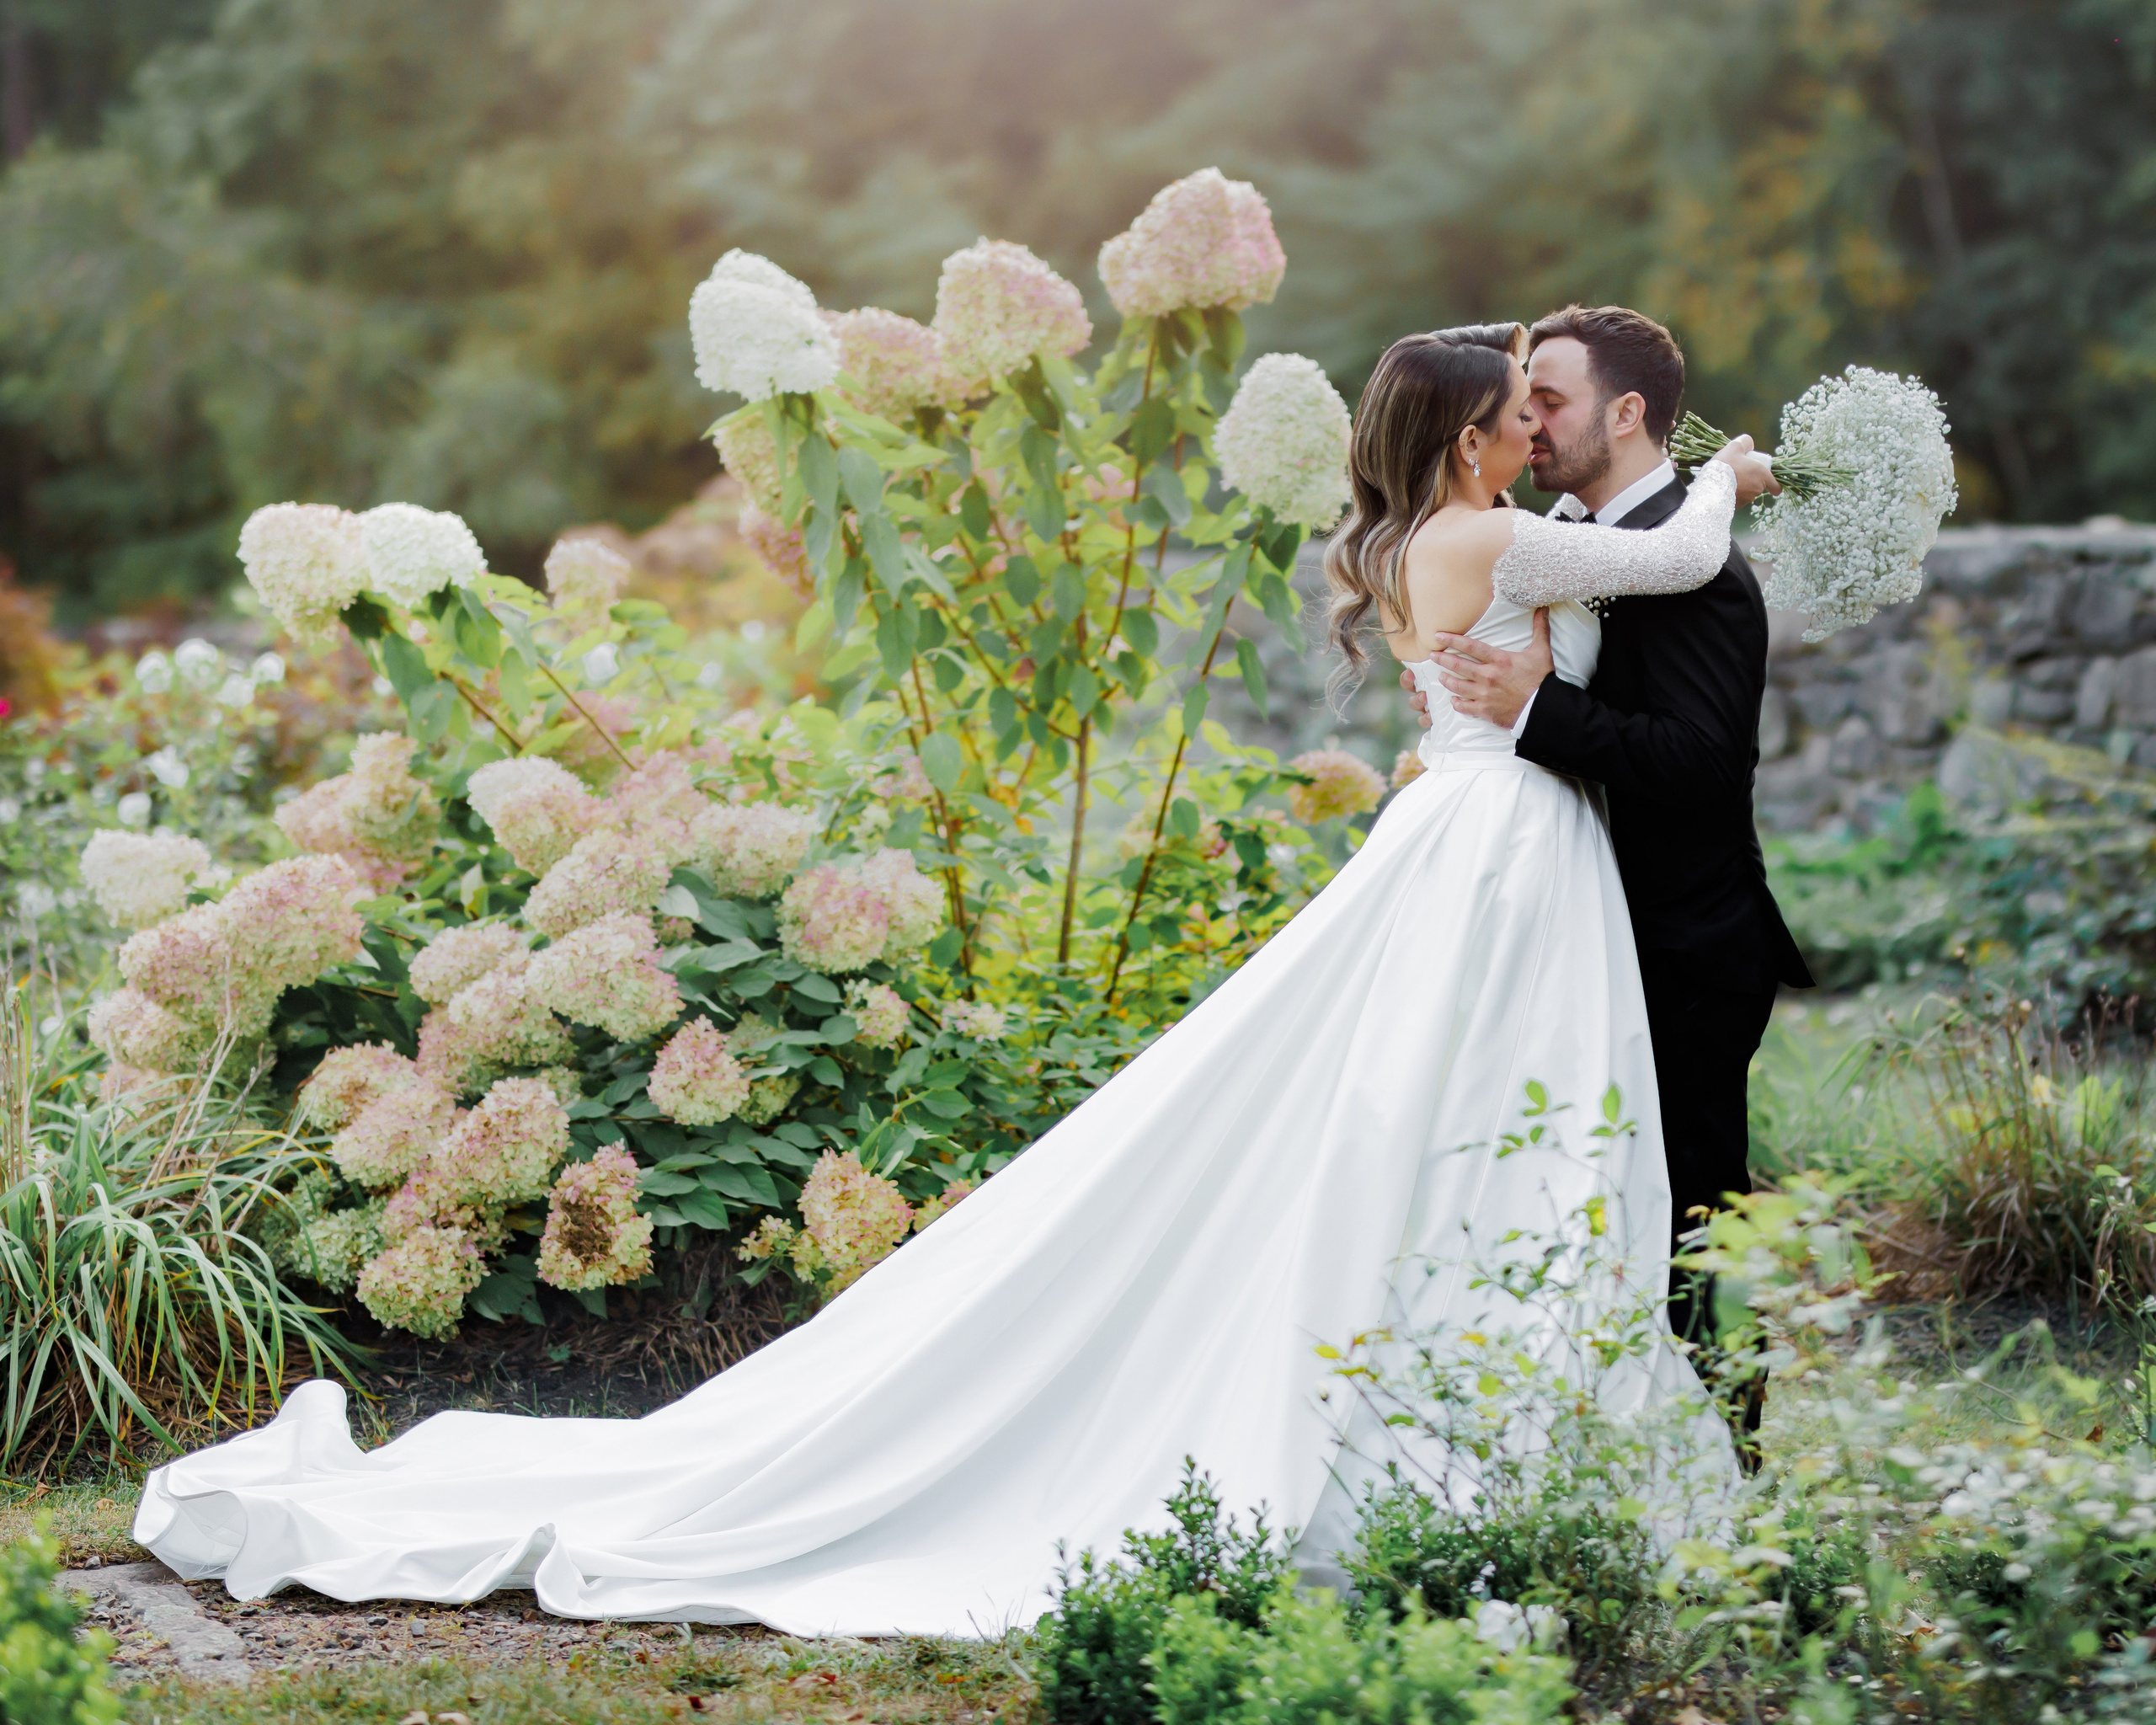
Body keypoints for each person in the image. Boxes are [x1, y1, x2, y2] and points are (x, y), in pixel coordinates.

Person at [135, 324, 1774, 1638]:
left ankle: (1474, 1411)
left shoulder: (1451, 532)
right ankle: (1464, 1428)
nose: (1529, 425)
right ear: (1470, 433)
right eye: (1512, 406)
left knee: (1454, 1112)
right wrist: (1742, 473)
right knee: (1470, 1112)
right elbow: (1673, 554)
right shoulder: (1498, 534)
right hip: (1496, 846)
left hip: (1480, 832)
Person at [1405, 306, 1815, 1414]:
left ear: (1626, 413)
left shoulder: (1700, 569)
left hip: (1680, 946)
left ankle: (1725, 1458)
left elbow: (1697, 763)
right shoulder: (1546, 537)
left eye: (1551, 399)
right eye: (1519, 400)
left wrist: (1532, 717)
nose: (1527, 419)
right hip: (1567, 927)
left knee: (1690, 1214)